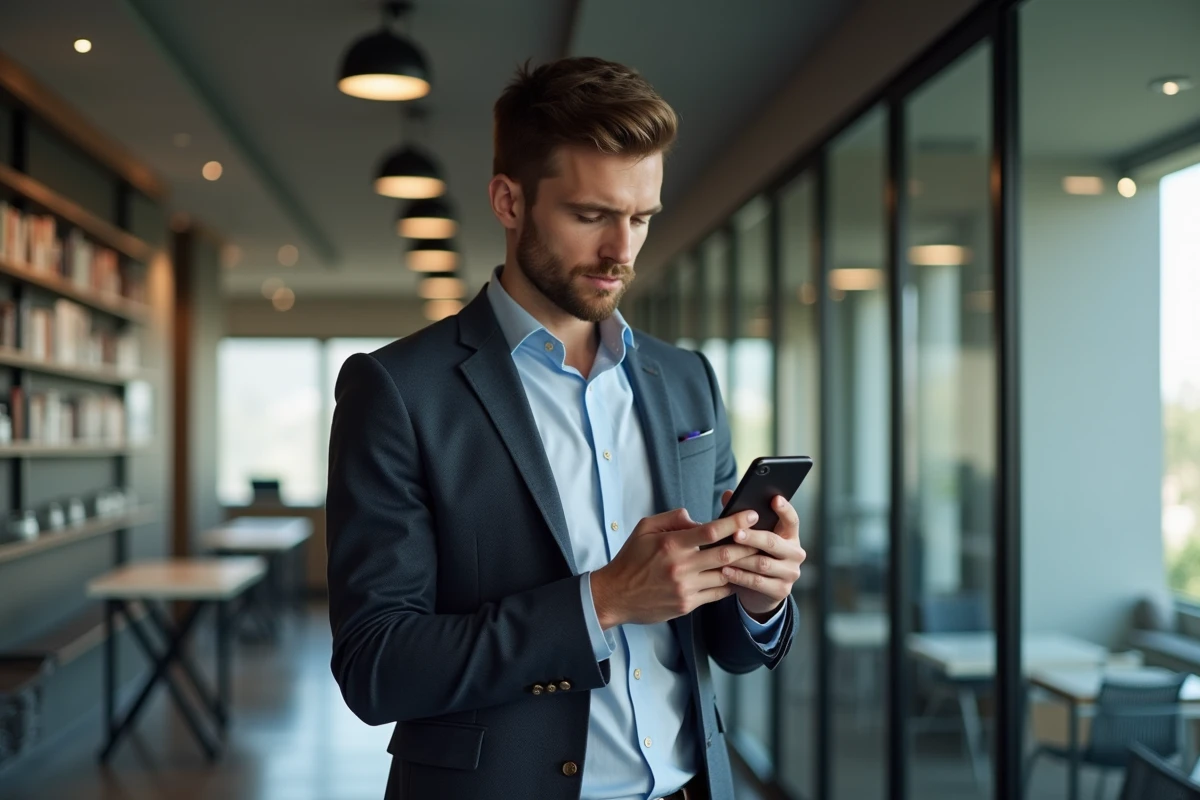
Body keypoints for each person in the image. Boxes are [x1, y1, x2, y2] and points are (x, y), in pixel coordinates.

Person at [326, 56, 806, 800]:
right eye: (590, 215)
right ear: (509, 201)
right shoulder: (397, 390)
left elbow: (726, 649)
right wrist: (602, 600)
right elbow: (375, 666)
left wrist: (759, 598)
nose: (623, 251)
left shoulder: (688, 380)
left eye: (641, 218)